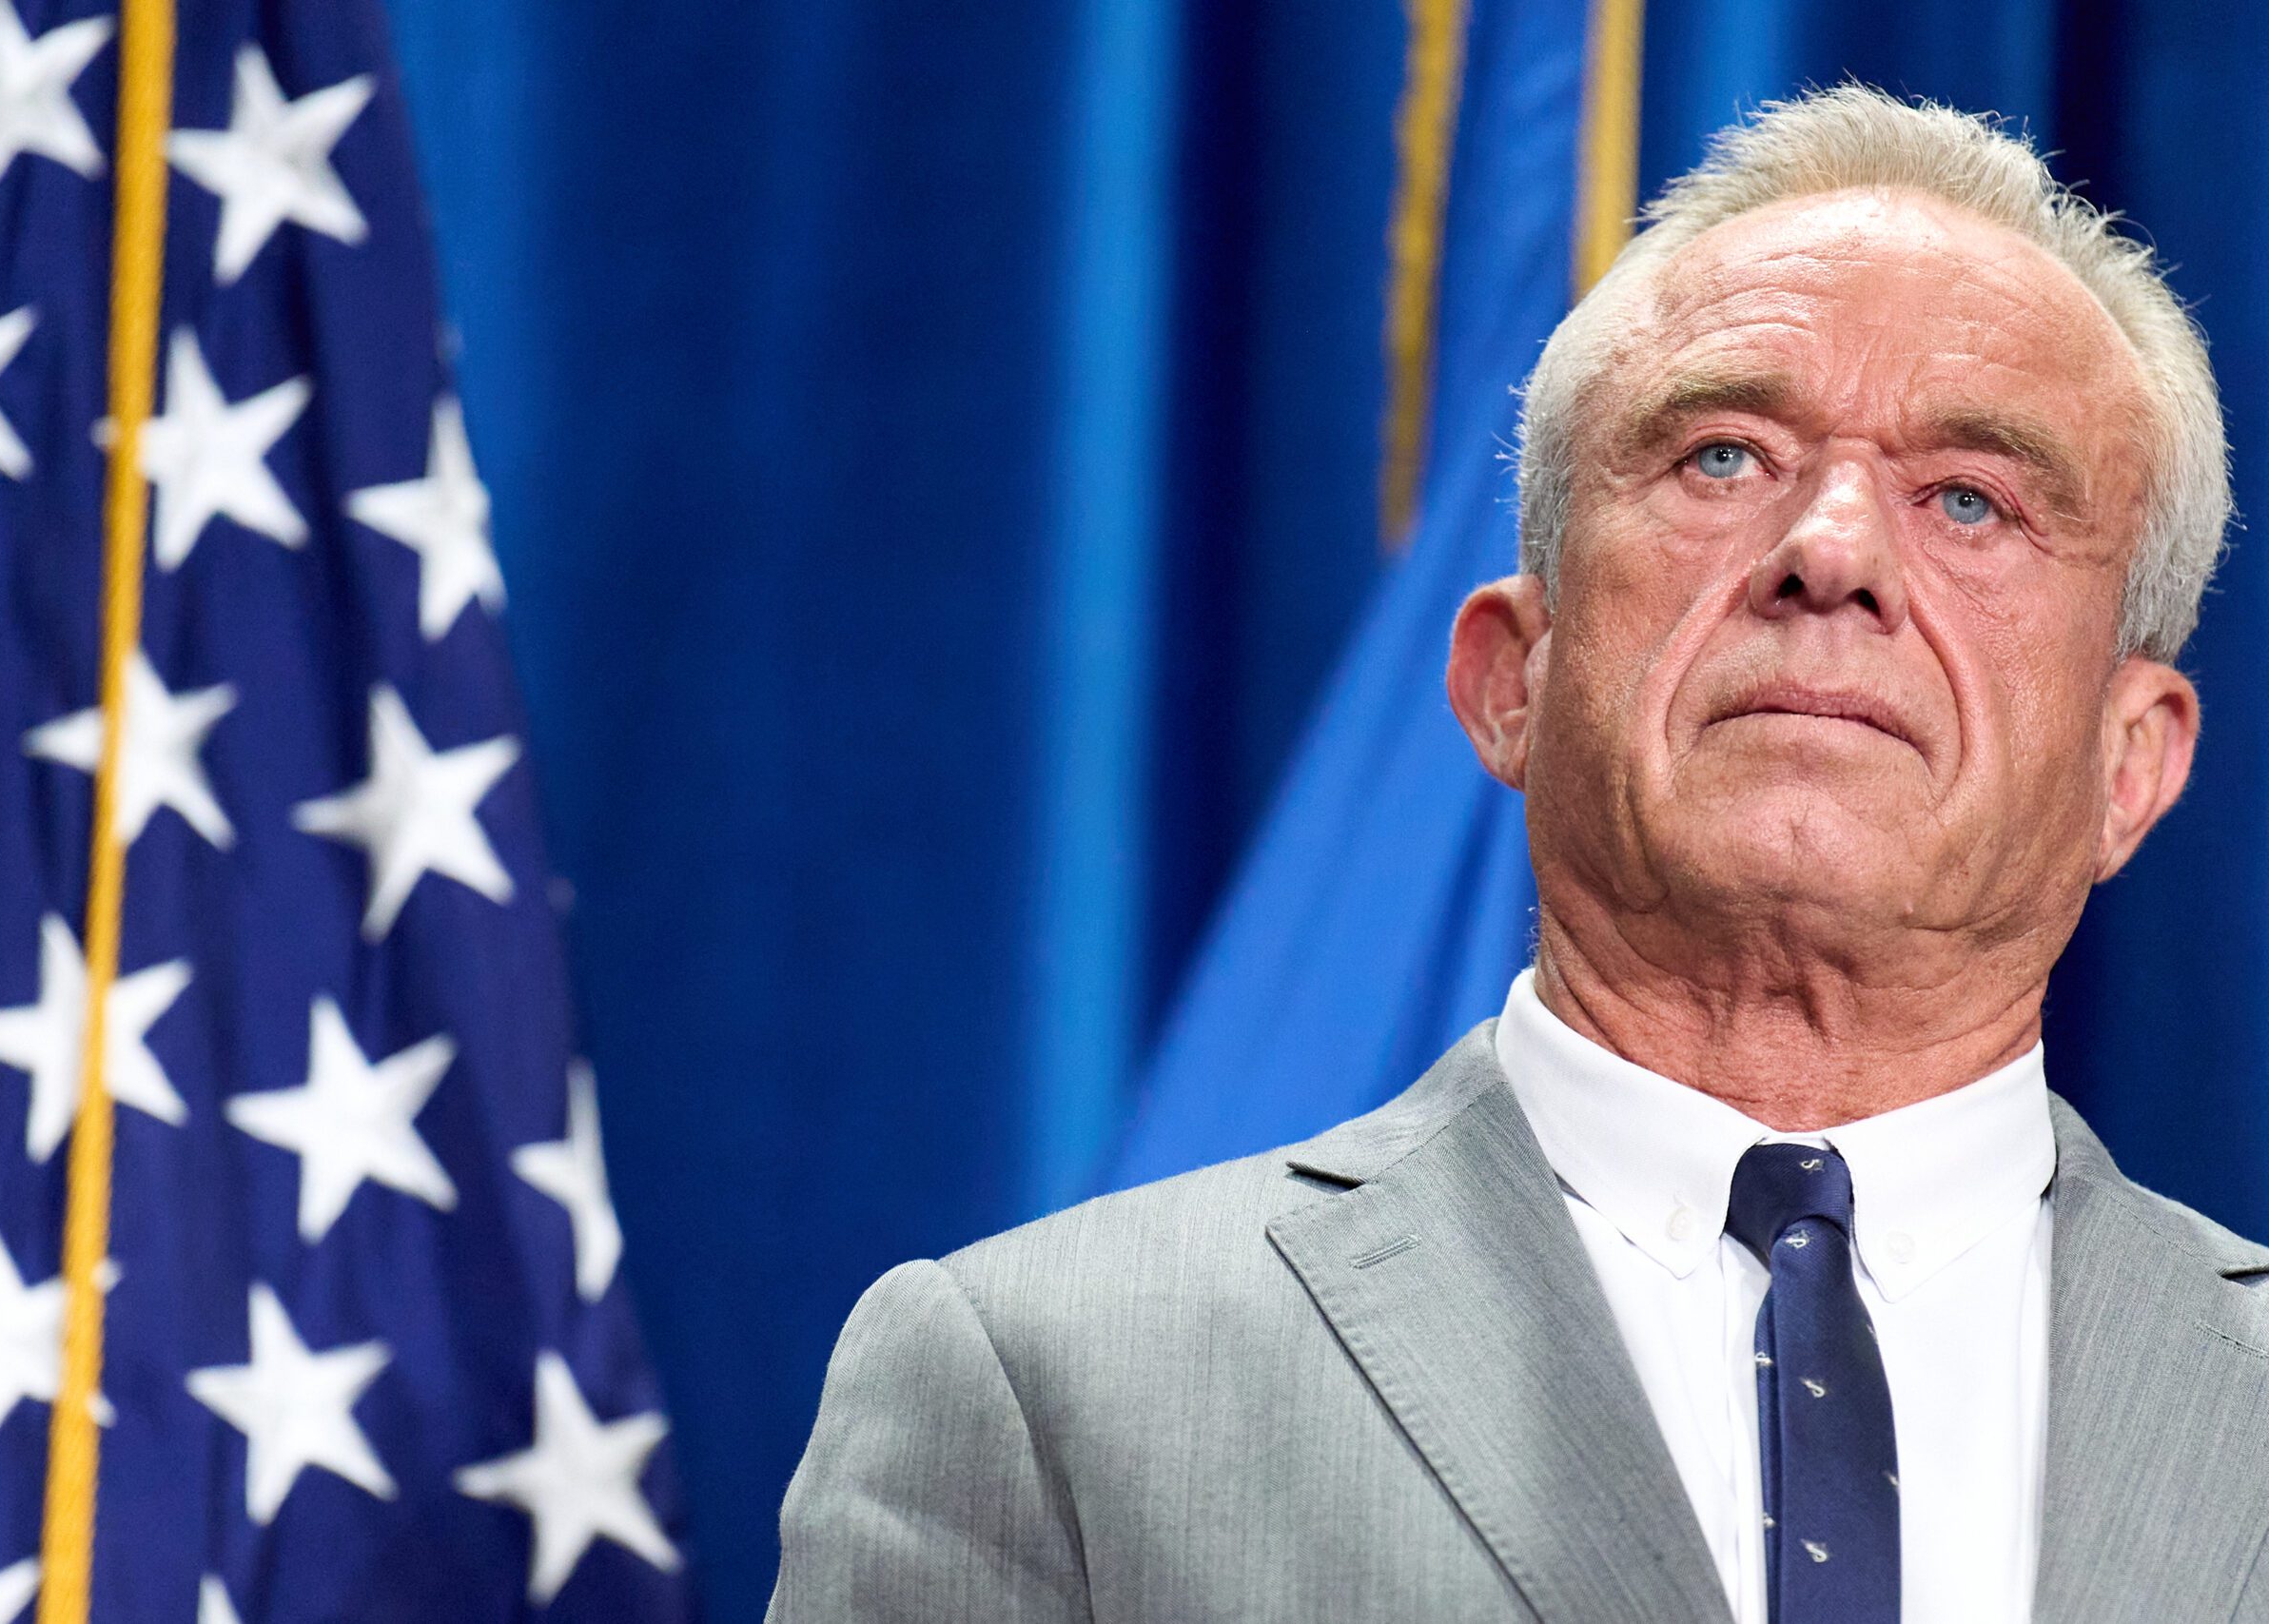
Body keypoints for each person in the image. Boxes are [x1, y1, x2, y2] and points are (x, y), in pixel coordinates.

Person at [766, 87, 2269, 1624]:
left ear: (2131, 764)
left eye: (1969, 499)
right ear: (1509, 682)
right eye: (1723, 458)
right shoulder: (1044, 1390)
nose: (1831, 551)